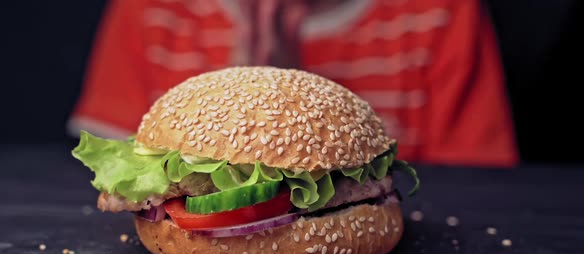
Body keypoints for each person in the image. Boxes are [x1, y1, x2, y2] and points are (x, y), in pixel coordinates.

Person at [67, 0, 519, 167]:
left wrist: (294, 104)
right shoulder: (149, 9)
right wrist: (240, 98)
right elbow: (120, 173)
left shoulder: (440, 12)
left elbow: (478, 192)